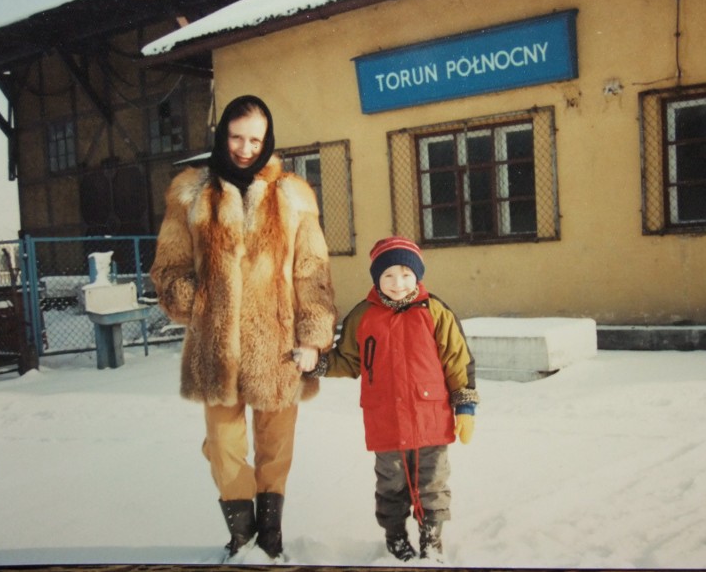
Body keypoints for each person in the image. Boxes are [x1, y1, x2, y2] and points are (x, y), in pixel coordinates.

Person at [150, 94, 336, 561]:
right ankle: (242, 536)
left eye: (255, 138)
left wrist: (313, 336)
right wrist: (197, 304)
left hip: (278, 342)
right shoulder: (190, 192)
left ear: (267, 138)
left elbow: (311, 269)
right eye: (236, 136)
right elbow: (168, 264)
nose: (246, 147)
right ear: (222, 134)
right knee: (224, 445)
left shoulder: (293, 195)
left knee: (276, 445)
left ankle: (270, 537)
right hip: (216, 347)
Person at [303, 236, 479, 562]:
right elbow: (349, 361)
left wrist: (465, 407)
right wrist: (318, 365)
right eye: (388, 276)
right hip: (385, 421)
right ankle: (395, 538)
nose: (398, 284)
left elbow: (458, 361)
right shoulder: (364, 315)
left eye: (406, 274)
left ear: (418, 275)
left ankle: (432, 541)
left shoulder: (435, 312)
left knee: (433, 483)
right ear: (376, 278)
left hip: (431, 419)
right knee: (391, 484)